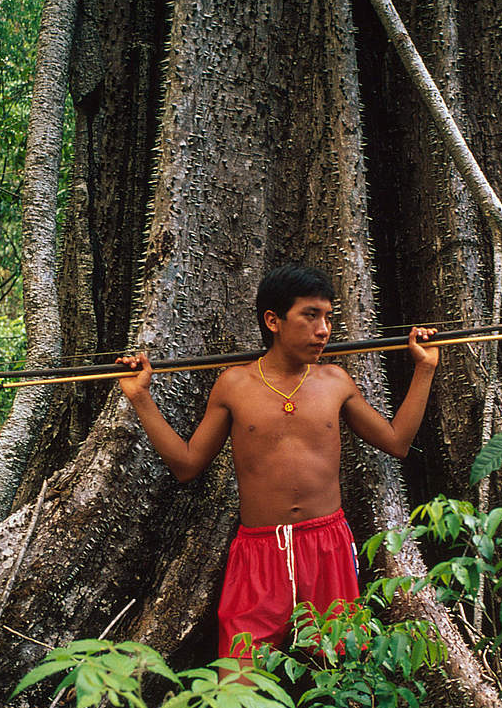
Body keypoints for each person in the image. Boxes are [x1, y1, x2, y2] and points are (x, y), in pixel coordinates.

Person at [117, 264, 439, 665]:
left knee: (328, 669)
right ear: (273, 320)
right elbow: (186, 464)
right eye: (310, 316)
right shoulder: (234, 384)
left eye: (328, 318)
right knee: (240, 671)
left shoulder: (335, 380)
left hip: (327, 545)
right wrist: (142, 399)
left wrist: (424, 369)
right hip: (258, 551)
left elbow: (397, 442)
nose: (324, 330)